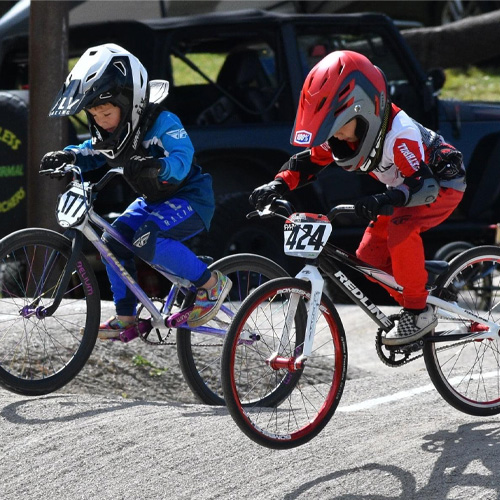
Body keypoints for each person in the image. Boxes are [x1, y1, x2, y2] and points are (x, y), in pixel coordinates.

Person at [250, 50, 466, 346]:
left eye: (337, 127)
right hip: (402, 191)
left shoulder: (399, 136)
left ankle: (417, 311)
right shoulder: (348, 132)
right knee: (368, 258)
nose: (335, 137)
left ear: (363, 111)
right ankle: (427, 291)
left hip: (439, 186)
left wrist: (382, 199)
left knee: (401, 228)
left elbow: (423, 186)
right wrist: (277, 184)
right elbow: (309, 161)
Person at [40, 43, 231, 339]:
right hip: (153, 201)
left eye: (106, 112)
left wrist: (157, 165)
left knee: (146, 239)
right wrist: (68, 156)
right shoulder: (111, 132)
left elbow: (182, 159)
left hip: (191, 198)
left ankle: (211, 284)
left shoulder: (162, 122)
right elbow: (91, 152)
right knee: (112, 243)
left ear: (129, 103)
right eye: (94, 115)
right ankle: (126, 317)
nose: (100, 122)